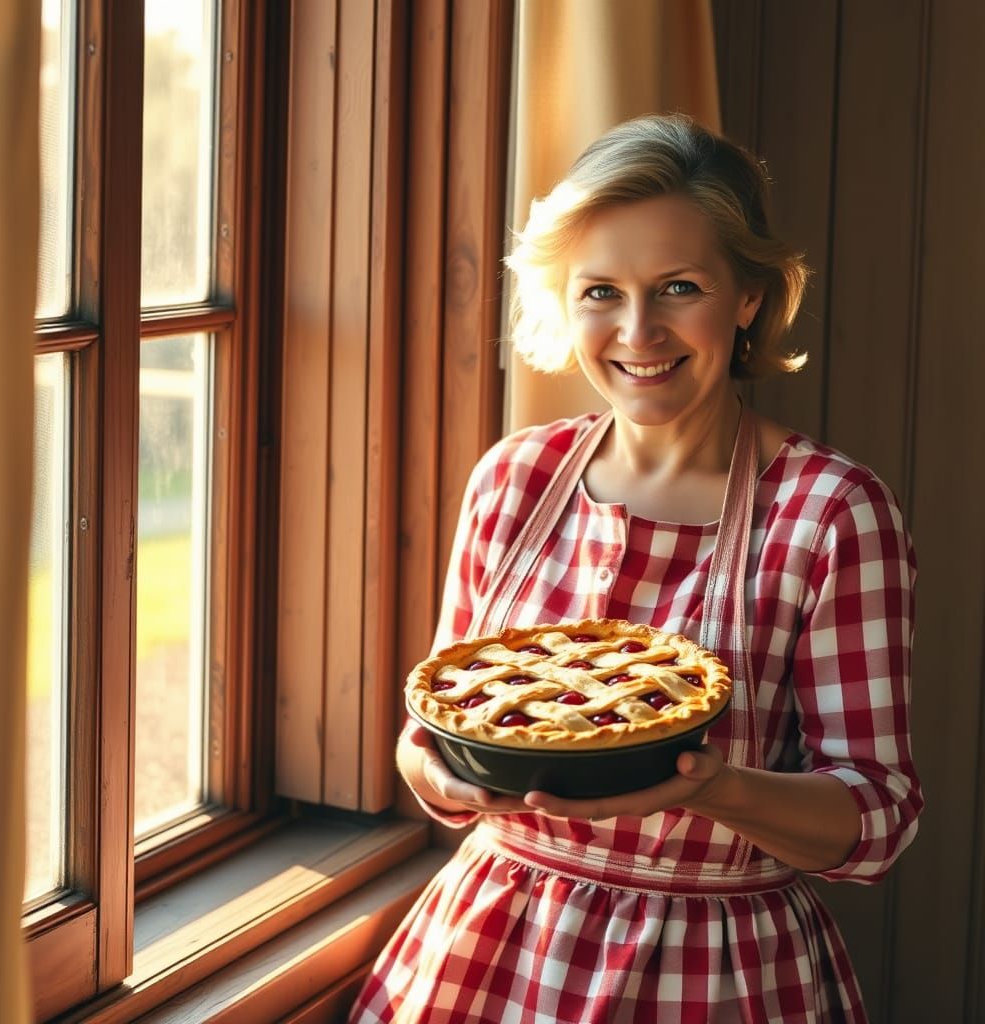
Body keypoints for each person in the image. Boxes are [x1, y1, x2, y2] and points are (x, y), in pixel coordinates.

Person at [349, 114, 921, 1023]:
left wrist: (718, 789)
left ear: (748, 296)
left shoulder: (831, 513)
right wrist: (440, 778)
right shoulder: (514, 477)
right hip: (490, 950)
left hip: (719, 970)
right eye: (601, 291)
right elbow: (434, 728)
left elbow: (878, 818)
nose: (638, 330)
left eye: (679, 287)